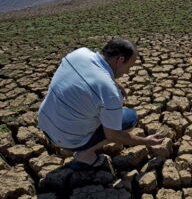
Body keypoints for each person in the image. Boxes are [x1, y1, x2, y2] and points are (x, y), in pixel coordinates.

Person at [38, 38, 164, 170]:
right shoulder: (109, 92)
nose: (127, 72)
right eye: (129, 67)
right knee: (129, 117)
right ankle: (85, 154)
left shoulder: (79, 53)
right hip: (68, 140)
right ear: (120, 60)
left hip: (45, 123)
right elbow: (113, 135)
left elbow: (86, 73)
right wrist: (146, 141)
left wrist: (113, 81)